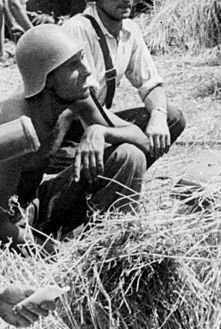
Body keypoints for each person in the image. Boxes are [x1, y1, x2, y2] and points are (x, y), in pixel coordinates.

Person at [0, 24, 148, 243]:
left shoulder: (76, 98)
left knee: (128, 155)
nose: (87, 70)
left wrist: (101, 131)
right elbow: (0, 222)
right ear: (48, 78)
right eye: (73, 65)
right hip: (12, 220)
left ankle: (115, 246)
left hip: (38, 204)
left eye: (81, 58)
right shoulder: (16, 125)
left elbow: (141, 139)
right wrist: (42, 247)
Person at [63, 0, 185, 169]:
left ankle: (119, 175)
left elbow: (150, 83)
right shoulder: (78, 29)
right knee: (128, 150)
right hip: (68, 129)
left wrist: (157, 116)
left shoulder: (130, 29)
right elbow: (84, 104)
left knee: (171, 117)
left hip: (98, 120)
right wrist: (130, 135)